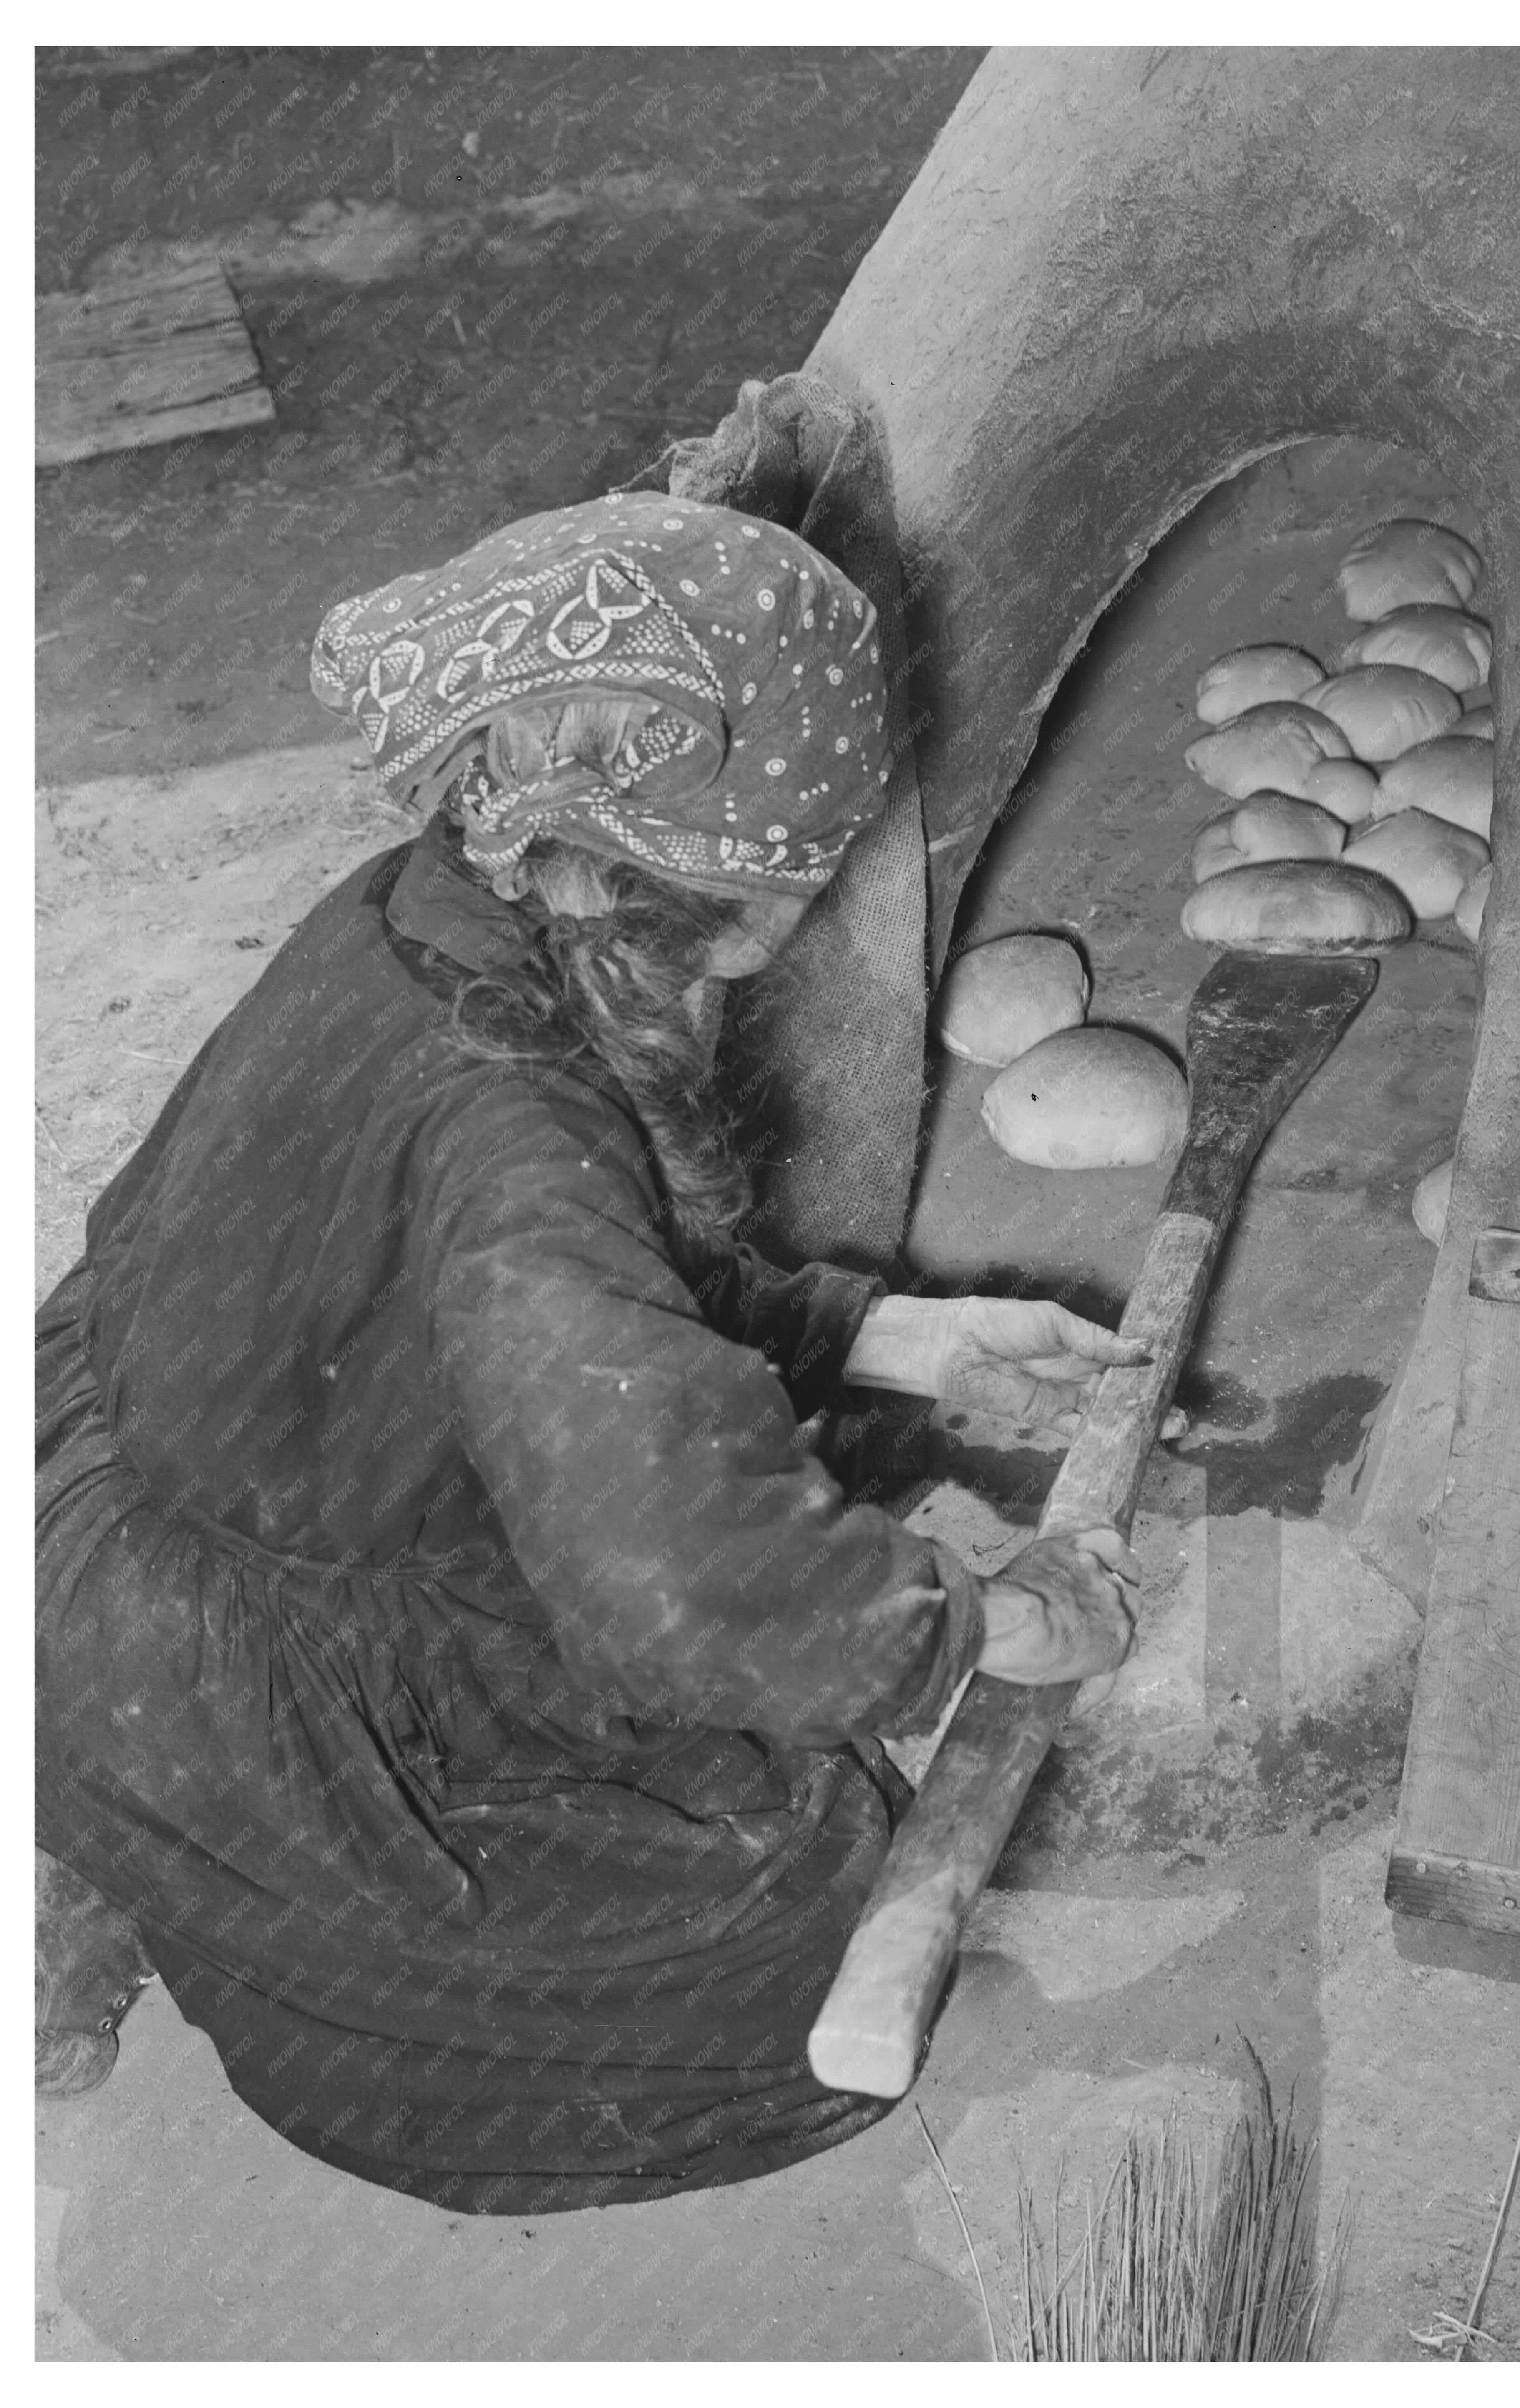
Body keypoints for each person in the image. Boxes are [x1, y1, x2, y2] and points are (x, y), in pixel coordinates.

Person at [35, 491, 1145, 2215]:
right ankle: (182, 1878)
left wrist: (897, 1336)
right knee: (784, 1921)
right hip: (236, 1673)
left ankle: (113, 1856)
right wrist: (965, 1616)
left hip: (108, 1520)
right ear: (743, 898)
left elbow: (560, 1298)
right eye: (800, 869)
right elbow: (673, 1581)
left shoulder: (426, 911)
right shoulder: (515, 1132)